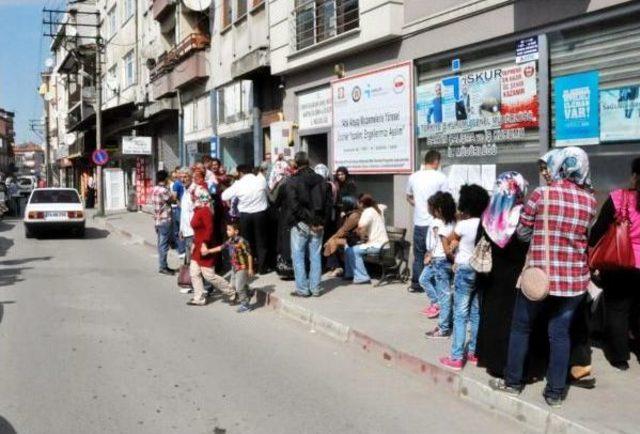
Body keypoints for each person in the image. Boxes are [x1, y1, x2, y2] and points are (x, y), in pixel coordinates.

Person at [490, 147, 597, 408]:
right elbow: (585, 237)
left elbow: (523, 234)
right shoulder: (590, 201)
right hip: (574, 281)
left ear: (560, 165)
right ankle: (555, 392)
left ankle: (513, 382)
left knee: (521, 327)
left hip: (540, 275)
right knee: (560, 334)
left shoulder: (542, 194)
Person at [474, 172, 530, 377]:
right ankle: (513, 363)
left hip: (491, 275)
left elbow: (478, 244)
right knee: (515, 321)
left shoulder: (489, 214)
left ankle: (493, 361)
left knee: (492, 317)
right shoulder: (523, 214)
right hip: (517, 276)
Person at [589, 157, 640, 371]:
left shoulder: (618, 198)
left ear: (635, 175)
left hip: (619, 262)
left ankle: (620, 358)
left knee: (617, 310)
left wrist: (590, 252)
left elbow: (599, 229)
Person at [439, 184, 490, 370]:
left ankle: (456, 357)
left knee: (460, 313)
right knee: (476, 312)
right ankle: (474, 353)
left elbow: (450, 243)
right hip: (481, 269)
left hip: (464, 268)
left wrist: (453, 252)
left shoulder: (462, 225)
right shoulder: (485, 224)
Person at [286, 151, 331, 297]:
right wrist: (321, 222)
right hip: (317, 223)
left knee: (298, 256)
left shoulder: (293, 180)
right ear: (308, 162)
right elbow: (328, 205)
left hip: (302, 223)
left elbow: (294, 205)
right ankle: (316, 288)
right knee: (315, 256)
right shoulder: (321, 180)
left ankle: (303, 289)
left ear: (296, 163)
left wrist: (310, 222)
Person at [187, 179, 237, 306]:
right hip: (198, 245)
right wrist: (194, 242)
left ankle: (231, 291)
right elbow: (198, 230)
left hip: (205, 245)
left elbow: (209, 229)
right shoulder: (198, 210)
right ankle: (199, 297)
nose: (191, 197)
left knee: (209, 275)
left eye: (193, 195)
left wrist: (204, 243)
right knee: (194, 272)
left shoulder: (205, 211)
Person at [406, 150, 449, 292]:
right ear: (436, 161)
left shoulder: (413, 177)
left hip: (419, 223)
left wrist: (418, 204)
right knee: (436, 254)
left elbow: (409, 197)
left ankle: (417, 284)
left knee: (419, 255)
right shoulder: (441, 177)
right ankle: (435, 283)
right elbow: (446, 200)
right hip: (434, 224)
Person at [221, 164, 270, 274]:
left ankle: (250, 266)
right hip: (260, 213)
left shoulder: (238, 184)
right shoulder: (260, 180)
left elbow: (224, 196)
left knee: (247, 242)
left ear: (240, 173)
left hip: (245, 215)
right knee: (262, 241)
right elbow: (268, 192)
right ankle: (263, 267)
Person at [421, 192, 456, 334]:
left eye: (434, 208)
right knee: (450, 294)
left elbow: (444, 248)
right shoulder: (455, 221)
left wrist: (431, 255)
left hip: (441, 261)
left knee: (444, 296)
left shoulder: (440, 224)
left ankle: (443, 328)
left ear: (440, 209)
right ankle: (449, 323)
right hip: (448, 261)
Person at [201, 222, 255, 313]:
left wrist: (250, 268)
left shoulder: (242, 241)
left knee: (238, 288)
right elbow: (220, 248)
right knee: (233, 286)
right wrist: (208, 251)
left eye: (229, 230)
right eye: (227, 229)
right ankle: (248, 292)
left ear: (236, 231)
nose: (227, 231)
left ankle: (246, 305)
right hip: (234, 267)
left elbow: (249, 255)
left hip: (242, 267)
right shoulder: (230, 240)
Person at [343, 194, 389, 284]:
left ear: (361, 204)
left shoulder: (367, 212)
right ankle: (350, 274)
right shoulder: (377, 209)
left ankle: (362, 277)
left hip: (377, 245)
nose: (356, 204)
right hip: (382, 244)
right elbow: (384, 206)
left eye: (358, 203)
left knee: (351, 250)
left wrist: (362, 237)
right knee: (348, 248)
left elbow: (361, 229)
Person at [324, 196, 361, 277]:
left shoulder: (355, 216)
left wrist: (330, 239)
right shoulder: (348, 214)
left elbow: (343, 230)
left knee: (333, 241)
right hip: (349, 238)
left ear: (348, 205)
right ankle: (334, 267)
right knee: (333, 241)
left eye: (342, 205)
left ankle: (337, 267)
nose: (341, 206)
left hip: (356, 240)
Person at [151, 170, 174, 275]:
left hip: (157, 220)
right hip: (165, 219)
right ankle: (163, 267)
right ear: (165, 178)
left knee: (161, 244)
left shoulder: (154, 189)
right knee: (164, 245)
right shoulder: (164, 190)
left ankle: (163, 266)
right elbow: (172, 199)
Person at [178, 169, 195, 294]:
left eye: (185, 176)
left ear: (190, 177)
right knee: (189, 258)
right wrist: (181, 229)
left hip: (194, 231)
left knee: (193, 259)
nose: (183, 179)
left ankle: (195, 284)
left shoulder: (194, 191)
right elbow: (183, 213)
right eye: (181, 177)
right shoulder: (185, 191)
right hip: (187, 230)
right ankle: (189, 283)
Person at [171, 167, 186, 257]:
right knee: (180, 230)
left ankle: (180, 250)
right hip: (180, 209)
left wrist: (180, 204)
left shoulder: (177, 183)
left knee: (179, 230)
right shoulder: (179, 183)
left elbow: (174, 197)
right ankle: (181, 249)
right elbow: (175, 197)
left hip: (180, 209)